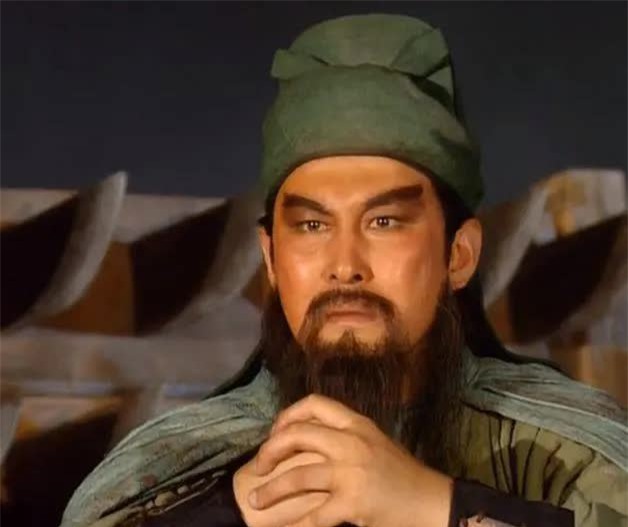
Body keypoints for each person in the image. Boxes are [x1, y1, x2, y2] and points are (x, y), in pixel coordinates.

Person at [60, 14, 627, 527]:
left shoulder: (566, 455)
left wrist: (430, 507)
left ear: (459, 255)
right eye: (312, 226)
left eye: (384, 222)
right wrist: (230, 514)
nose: (345, 267)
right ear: (271, 260)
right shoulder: (172, 476)